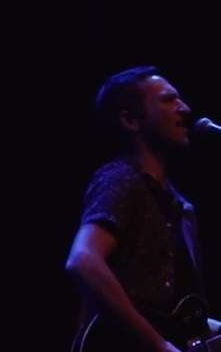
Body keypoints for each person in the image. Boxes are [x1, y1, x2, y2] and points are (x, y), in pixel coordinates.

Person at [65, 66, 221, 352]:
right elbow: (83, 261)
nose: (185, 108)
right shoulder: (121, 179)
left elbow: (180, 316)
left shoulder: (180, 207)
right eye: (168, 100)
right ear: (130, 120)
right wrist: (158, 345)